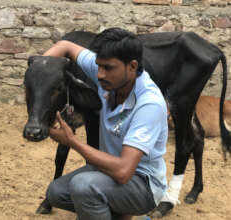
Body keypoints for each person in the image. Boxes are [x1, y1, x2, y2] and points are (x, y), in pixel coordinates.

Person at [43, 27, 168, 220]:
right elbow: (65, 46)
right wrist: (38, 72)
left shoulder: (149, 104)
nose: (99, 74)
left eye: (107, 68)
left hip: (142, 184)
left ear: (132, 67)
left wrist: (73, 142)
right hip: (108, 171)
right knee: (56, 192)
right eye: (98, 66)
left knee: (84, 187)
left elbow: (123, 171)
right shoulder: (109, 76)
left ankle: (130, 212)